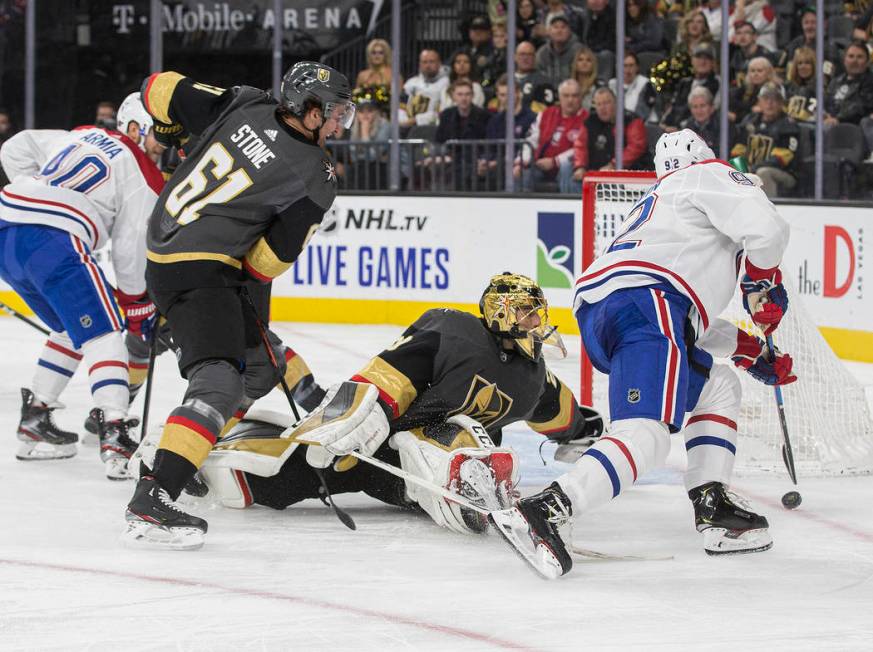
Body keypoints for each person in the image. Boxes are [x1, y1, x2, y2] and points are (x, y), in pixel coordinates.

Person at [491, 129, 795, 578]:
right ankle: (549, 508)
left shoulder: (659, 207)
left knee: (718, 387)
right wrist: (761, 280)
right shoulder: (709, 174)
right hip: (649, 304)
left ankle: (712, 504)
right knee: (646, 434)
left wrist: (748, 349)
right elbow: (768, 229)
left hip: (612, 310)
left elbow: (683, 323)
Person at [123, 62, 355, 549]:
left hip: (165, 248)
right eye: (334, 113)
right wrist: (233, 288)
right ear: (308, 111)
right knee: (221, 382)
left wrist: (167, 132)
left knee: (259, 367)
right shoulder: (316, 175)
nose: (339, 124)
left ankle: (181, 452)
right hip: (203, 270)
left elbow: (157, 87)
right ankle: (154, 495)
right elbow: (267, 263)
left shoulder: (246, 101)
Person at [178, 274, 604, 536]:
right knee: (274, 480)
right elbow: (384, 378)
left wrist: (584, 429)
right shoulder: (455, 333)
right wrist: (351, 424)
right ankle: (193, 457)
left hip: (414, 467)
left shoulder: (535, 378)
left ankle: (463, 490)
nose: (539, 322)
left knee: (450, 434)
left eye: (538, 313)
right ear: (502, 314)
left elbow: (562, 414)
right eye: (529, 314)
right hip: (375, 440)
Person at [0, 93, 165, 476]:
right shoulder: (143, 174)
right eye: (161, 133)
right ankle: (116, 431)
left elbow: (15, 146)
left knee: (72, 327)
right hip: (52, 241)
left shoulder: (83, 133)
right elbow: (128, 251)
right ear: (136, 129)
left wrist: (34, 190)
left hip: (6, 228)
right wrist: (137, 305)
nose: (167, 142)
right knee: (105, 330)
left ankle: (36, 418)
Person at [567, 86, 649, 192]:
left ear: (616, 103)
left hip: (628, 174)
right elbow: (580, 146)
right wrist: (580, 166)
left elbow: (636, 147)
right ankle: (576, 207)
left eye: (606, 103)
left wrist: (613, 165)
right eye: (599, 104)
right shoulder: (590, 122)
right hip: (595, 175)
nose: (602, 108)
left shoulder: (631, 120)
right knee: (570, 173)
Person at [516, 79, 588, 191]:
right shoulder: (546, 114)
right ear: (559, 97)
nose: (570, 100)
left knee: (566, 168)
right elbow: (531, 140)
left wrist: (555, 161)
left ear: (581, 98)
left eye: (574, 96)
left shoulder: (587, 119)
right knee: (521, 173)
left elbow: (581, 149)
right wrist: (522, 161)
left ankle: (566, 206)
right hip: (541, 165)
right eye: (566, 96)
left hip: (565, 167)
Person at [731, 82, 800, 198]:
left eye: (775, 99)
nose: (770, 103)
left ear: (782, 103)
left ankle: (769, 210)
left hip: (784, 174)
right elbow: (737, 151)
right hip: (751, 170)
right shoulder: (750, 121)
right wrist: (741, 169)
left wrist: (752, 169)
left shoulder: (788, 125)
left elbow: (781, 158)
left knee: (763, 172)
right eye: (766, 98)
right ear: (759, 101)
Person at [434, 80, 491, 191]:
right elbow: (439, 140)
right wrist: (441, 155)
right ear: (453, 96)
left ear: (472, 96)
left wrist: (483, 159)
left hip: (475, 160)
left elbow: (488, 143)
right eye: (460, 94)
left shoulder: (485, 116)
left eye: (467, 94)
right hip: (451, 160)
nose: (463, 98)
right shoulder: (446, 115)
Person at [661, 43, 721, 130]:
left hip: (696, 132)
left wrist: (680, 128)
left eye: (707, 58)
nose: (702, 62)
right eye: (699, 57)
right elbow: (672, 108)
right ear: (692, 61)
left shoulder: (718, 83)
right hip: (672, 130)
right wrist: (664, 124)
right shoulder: (684, 83)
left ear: (713, 63)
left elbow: (711, 112)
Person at [778, 8, 839, 83]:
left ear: (823, 24)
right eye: (806, 23)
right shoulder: (795, 43)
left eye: (813, 23)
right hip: (791, 87)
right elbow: (780, 69)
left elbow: (827, 78)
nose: (809, 27)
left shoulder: (829, 48)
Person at [824, 41, 873, 127]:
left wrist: (838, 119)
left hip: (853, 127)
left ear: (867, 62)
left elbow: (861, 107)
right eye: (851, 56)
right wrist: (823, 114)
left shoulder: (870, 82)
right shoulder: (835, 81)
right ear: (844, 60)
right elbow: (826, 102)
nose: (854, 60)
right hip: (831, 121)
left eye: (860, 57)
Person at [399, 49, 449, 129]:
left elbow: (444, 111)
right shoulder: (411, 83)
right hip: (407, 126)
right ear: (420, 64)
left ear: (439, 63)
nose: (428, 65)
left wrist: (417, 120)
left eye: (431, 61)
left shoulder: (447, 83)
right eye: (424, 62)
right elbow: (401, 106)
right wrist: (403, 121)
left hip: (434, 127)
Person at [535, 14, 584, 88]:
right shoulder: (542, 54)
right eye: (555, 27)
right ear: (549, 31)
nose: (559, 31)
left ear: (569, 31)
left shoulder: (579, 50)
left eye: (563, 27)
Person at [608, 52, 657, 121]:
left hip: (642, 125)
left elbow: (642, 114)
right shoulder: (611, 84)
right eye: (624, 66)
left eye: (631, 65)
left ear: (637, 67)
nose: (628, 70)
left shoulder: (645, 84)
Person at [729, 56, 775, 125]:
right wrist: (750, 107)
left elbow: (759, 112)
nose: (755, 74)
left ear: (768, 73)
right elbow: (730, 100)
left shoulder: (771, 89)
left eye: (759, 71)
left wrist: (737, 117)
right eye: (752, 71)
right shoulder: (747, 87)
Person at [514, 41, 556, 112]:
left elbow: (547, 111)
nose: (525, 58)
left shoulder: (544, 82)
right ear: (515, 57)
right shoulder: (504, 79)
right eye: (522, 54)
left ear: (535, 57)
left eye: (529, 54)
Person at [679, 86, 720, 152]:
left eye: (702, 105)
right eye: (695, 107)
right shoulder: (686, 130)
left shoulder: (723, 127)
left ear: (712, 107)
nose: (699, 111)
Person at [784, 46, 818, 124]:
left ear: (813, 66)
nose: (803, 67)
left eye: (807, 63)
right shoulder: (789, 87)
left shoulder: (819, 88)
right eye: (800, 63)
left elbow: (812, 109)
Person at [570, 46, 605, 112]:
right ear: (575, 64)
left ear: (593, 65)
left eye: (588, 60)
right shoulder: (568, 87)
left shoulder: (599, 88)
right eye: (580, 60)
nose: (584, 63)